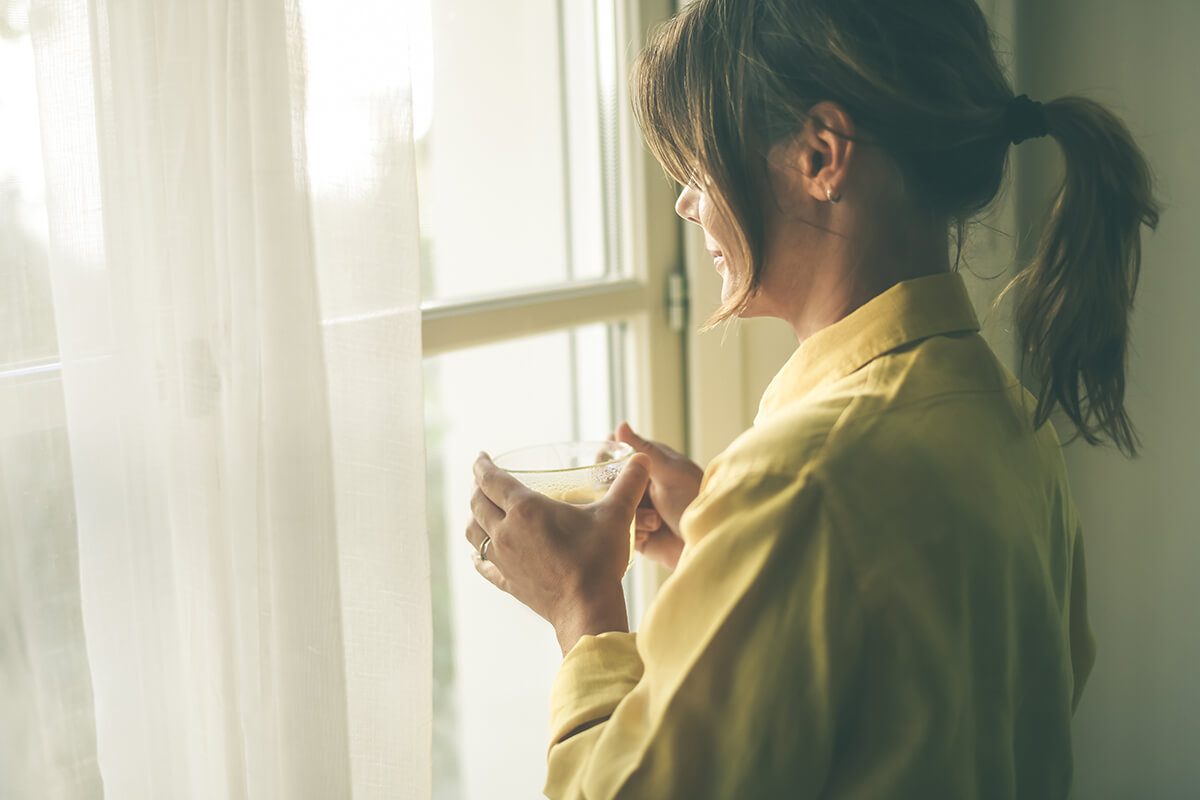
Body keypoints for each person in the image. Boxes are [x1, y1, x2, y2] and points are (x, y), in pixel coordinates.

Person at [465, 0, 1160, 796]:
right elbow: (928, 709)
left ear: (821, 155)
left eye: (699, 163)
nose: (689, 202)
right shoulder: (1009, 423)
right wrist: (720, 547)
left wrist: (580, 604)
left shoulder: (799, 485)